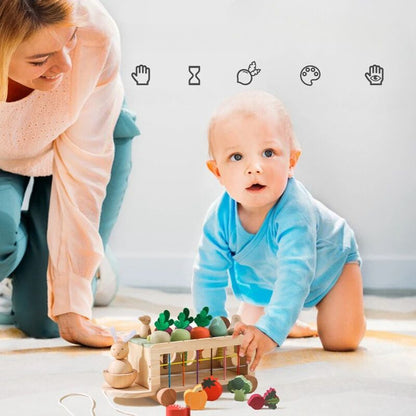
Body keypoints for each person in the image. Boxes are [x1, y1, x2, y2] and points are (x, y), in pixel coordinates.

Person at [192, 90, 366, 370]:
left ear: (291, 162)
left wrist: (270, 331)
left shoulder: (295, 211)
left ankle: (294, 318)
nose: (255, 168)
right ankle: (287, 319)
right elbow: (207, 277)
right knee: (244, 337)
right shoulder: (219, 218)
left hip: (330, 269)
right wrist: (212, 332)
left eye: (268, 153)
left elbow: (296, 274)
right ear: (217, 173)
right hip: (267, 284)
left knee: (340, 340)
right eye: (237, 157)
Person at [0, 0, 140, 347]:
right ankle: (19, 259)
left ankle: (95, 268)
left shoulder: (94, 31)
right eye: (40, 59)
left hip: (77, 143)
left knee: (47, 322)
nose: (65, 64)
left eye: (69, 40)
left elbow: (83, 172)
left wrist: (72, 303)